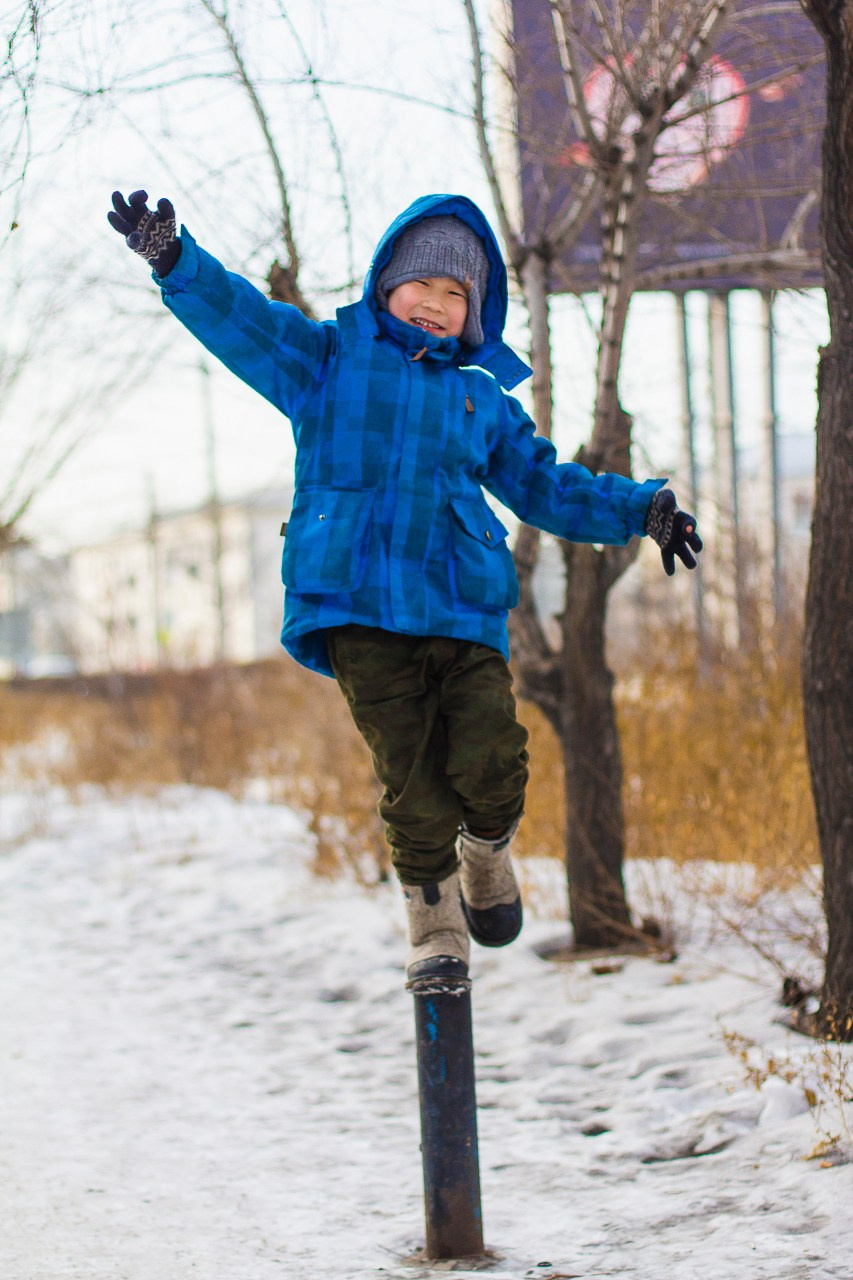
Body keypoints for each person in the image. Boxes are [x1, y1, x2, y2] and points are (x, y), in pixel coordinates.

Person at [108, 189, 702, 984]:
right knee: (414, 786)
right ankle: (434, 921)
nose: (435, 302)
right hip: (356, 607)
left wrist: (638, 510)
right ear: (385, 282)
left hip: (461, 608)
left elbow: (544, 485)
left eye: (456, 293)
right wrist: (176, 260)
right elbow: (246, 323)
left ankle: (486, 854)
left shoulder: (480, 399)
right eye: (421, 282)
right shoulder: (328, 361)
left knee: (494, 764)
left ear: (474, 312)